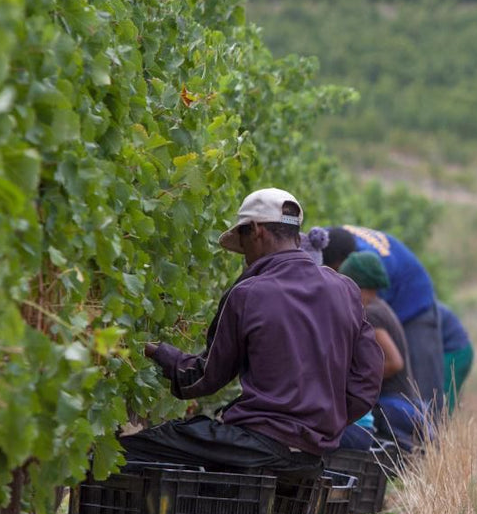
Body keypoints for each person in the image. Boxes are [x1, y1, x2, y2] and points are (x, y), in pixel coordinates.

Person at [122, 188, 383, 477]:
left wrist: (158, 353)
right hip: (311, 457)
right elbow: (368, 378)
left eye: (243, 243)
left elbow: (205, 378)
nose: (245, 258)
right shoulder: (345, 290)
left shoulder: (248, 293)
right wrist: (322, 423)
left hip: (255, 447)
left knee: (132, 449)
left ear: (257, 231)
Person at [321, 226, 446, 417]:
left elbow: (394, 362)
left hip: (414, 301)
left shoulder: (368, 270)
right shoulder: (321, 241)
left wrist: (353, 380)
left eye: (338, 274)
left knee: (424, 388)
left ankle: (429, 439)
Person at [337, 252, 428, 454]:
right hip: (402, 401)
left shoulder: (370, 313)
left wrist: (355, 378)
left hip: (391, 403)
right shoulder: (381, 306)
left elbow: (395, 362)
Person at [437, 301, 474, 411]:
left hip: (456, 352)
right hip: (460, 350)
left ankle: (442, 426)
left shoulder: (428, 310)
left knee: (445, 396)